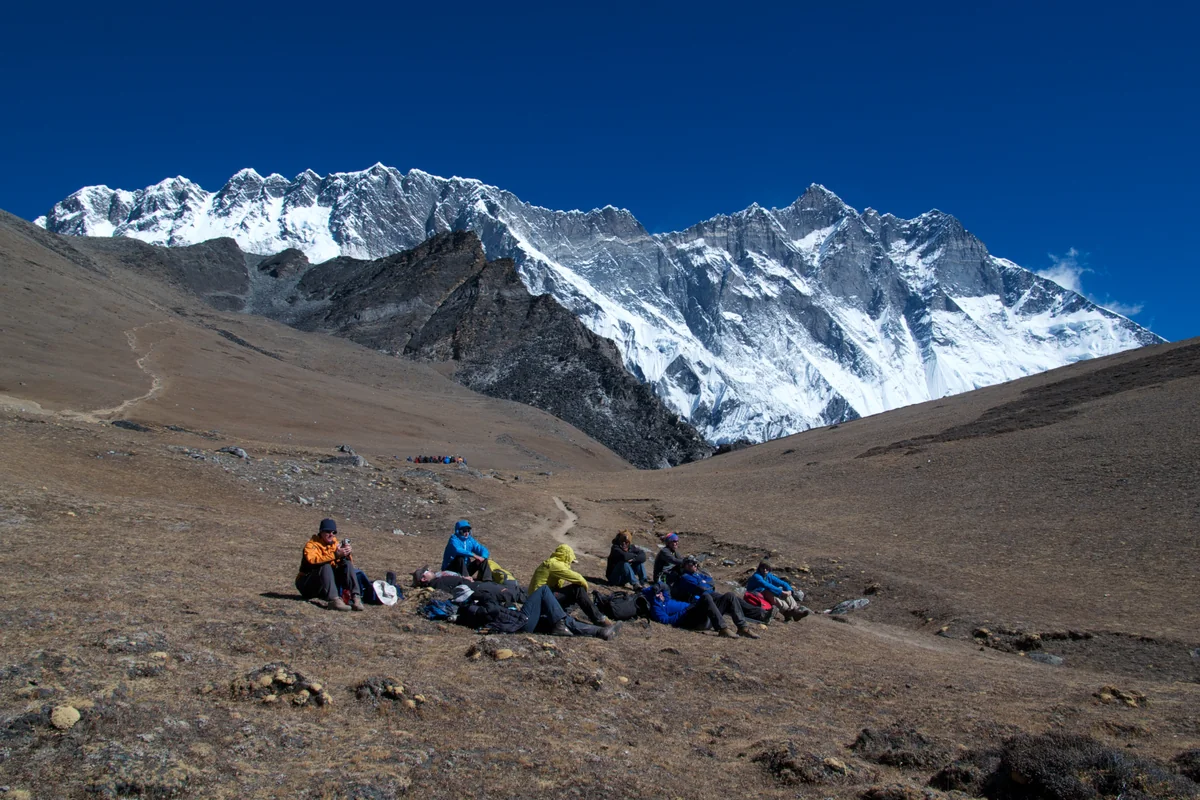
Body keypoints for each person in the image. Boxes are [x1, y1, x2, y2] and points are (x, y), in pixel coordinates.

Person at [528, 544, 612, 626]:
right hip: (540, 602)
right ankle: (599, 619)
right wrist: (584, 592)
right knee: (577, 589)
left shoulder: (552, 563)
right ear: (566, 557)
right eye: (570, 561)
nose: (570, 564)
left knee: (574, 593)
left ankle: (564, 615)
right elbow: (579, 579)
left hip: (540, 600)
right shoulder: (554, 564)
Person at [673, 557, 772, 625]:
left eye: (696, 563)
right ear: (685, 565)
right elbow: (702, 587)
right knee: (731, 600)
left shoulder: (697, 574)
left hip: (712, 595)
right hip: (704, 601)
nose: (695, 565)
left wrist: (705, 583)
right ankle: (760, 616)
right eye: (692, 563)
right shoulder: (685, 577)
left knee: (736, 600)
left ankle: (761, 613)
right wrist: (705, 583)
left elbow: (710, 581)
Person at [645, 581, 759, 639]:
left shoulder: (666, 598)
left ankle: (742, 628)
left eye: (660, 592)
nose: (660, 594)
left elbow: (665, 587)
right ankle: (723, 629)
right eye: (657, 594)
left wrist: (658, 586)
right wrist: (686, 610)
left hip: (702, 615)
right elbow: (665, 620)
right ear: (653, 597)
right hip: (691, 619)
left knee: (730, 595)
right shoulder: (656, 607)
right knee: (705, 597)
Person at [296, 518, 362, 612]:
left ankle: (356, 597)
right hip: (306, 583)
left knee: (346, 564)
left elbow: (345, 564)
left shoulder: (335, 543)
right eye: (328, 532)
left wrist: (346, 554)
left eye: (334, 532)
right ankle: (334, 600)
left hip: (325, 584)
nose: (331, 534)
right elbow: (313, 560)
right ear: (321, 532)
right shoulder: (311, 545)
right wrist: (335, 555)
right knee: (325, 566)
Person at [745, 560, 811, 621]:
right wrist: (781, 592)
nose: (765, 570)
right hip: (755, 593)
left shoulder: (768, 575)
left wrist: (789, 591)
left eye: (766, 568)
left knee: (782, 589)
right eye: (763, 568)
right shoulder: (757, 576)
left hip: (765, 592)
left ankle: (795, 609)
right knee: (769, 591)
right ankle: (787, 611)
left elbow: (782, 583)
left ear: (769, 569)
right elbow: (766, 585)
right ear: (759, 568)